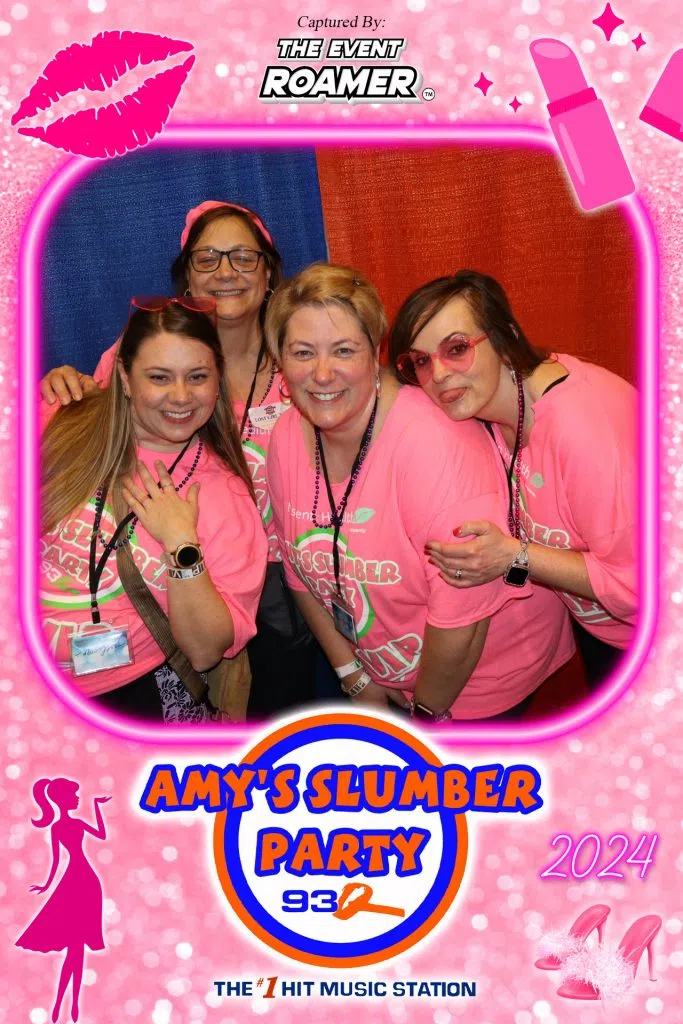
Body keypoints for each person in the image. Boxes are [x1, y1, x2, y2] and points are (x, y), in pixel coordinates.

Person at [40, 201, 319, 717]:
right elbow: (102, 421)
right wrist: (62, 393)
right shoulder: (148, 343)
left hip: (278, 576)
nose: (226, 272)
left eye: (243, 257)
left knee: (273, 710)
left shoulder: (300, 360)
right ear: (187, 277)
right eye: (207, 258)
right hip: (141, 599)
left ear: (269, 274)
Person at [264, 263, 577, 721]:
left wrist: (424, 718)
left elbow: (464, 620)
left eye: (344, 350)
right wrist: (353, 675)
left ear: (375, 353)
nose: (322, 373)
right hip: (383, 672)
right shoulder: (285, 436)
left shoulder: (435, 447)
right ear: (280, 360)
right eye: (303, 352)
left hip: (477, 684)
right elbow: (297, 566)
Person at [388, 270, 636, 686]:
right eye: (422, 361)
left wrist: (514, 557)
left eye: (457, 348)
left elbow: (639, 586)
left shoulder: (582, 431)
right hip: (600, 628)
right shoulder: (488, 412)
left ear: (505, 338)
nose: (440, 374)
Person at [40, 298, 267, 722]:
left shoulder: (224, 495)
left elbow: (205, 651)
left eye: (197, 377)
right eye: (159, 377)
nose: (180, 396)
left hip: (133, 699)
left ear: (218, 380)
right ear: (125, 377)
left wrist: (182, 545)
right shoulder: (62, 421)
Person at [16, 777, 110, 1024]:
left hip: (86, 884)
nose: (77, 799)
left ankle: (69, 1003)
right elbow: (56, 861)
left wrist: (97, 807)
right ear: (63, 799)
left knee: (76, 948)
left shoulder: (71, 825)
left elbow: (100, 834)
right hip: (76, 883)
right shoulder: (60, 828)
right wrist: (47, 885)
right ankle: (65, 1003)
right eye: (74, 795)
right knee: (75, 948)